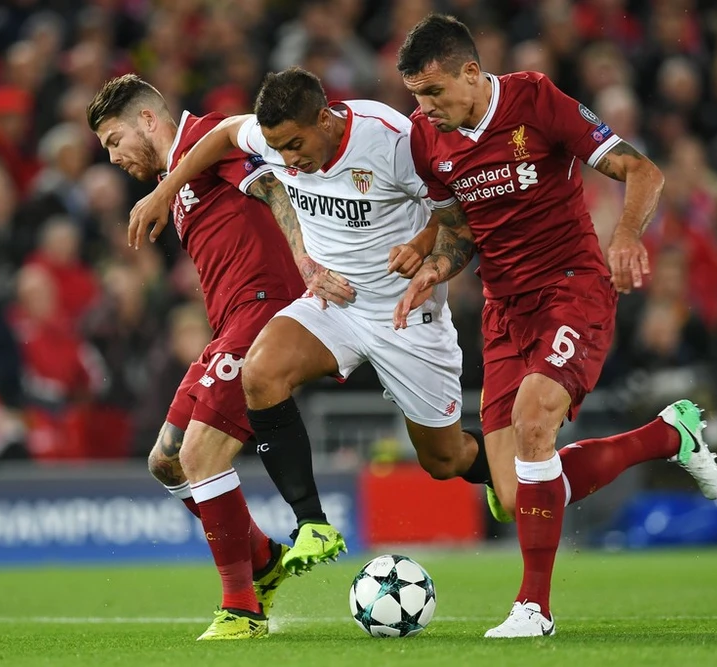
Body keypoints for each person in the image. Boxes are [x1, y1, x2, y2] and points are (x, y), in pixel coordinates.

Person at [394, 14, 717, 638]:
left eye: (434, 93)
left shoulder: (535, 100)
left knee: (535, 420)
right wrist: (433, 268)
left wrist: (625, 234)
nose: (426, 109)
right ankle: (667, 435)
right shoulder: (424, 139)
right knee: (518, 494)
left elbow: (642, 169)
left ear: (471, 72)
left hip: (571, 290)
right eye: (416, 97)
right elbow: (461, 231)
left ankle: (533, 609)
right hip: (503, 311)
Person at [128, 67, 494, 574]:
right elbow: (222, 134)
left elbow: (459, 215)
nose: (290, 159)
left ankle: (495, 469)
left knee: (443, 458)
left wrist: (424, 253)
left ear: (325, 118)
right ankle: (312, 524)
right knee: (261, 372)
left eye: (296, 144)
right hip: (333, 302)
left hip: (405, 312)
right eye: (278, 148)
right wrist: (166, 191)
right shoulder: (274, 139)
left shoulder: (391, 140)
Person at [86, 74, 304, 640]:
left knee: (203, 454)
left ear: (148, 121)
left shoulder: (209, 139)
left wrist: (307, 264)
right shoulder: (173, 180)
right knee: (167, 461)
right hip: (229, 324)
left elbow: (271, 186)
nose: (113, 157)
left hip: (263, 312)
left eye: (114, 140)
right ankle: (261, 559)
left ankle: (242, 609)